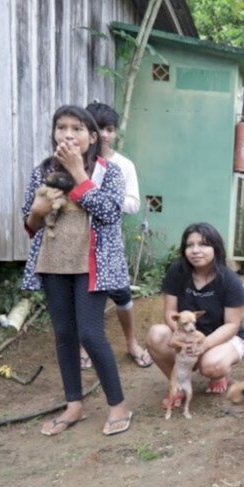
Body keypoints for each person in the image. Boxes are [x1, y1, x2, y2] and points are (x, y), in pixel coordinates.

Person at [21, 105, 133, 436]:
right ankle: (74, 405)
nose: (68, 135)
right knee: (64, 335)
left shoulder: (108, 172)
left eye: (77, 129)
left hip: (90, 264)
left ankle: (118, 405)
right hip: (53, 262)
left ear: (92, 136)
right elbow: (29, 222)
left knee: (90, 333)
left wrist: (77, 173)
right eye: (61, 128)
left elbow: (110, 213)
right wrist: (38, 211)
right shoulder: (41, 171)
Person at [77, 102, 152, 369]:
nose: (105, 135)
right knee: (83, 295)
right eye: (99, 128)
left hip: (108, 245)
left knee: (122, 295)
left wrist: (104, 199)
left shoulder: (123, 165)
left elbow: (133, 204)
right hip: (76, 244)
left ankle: (131, 343)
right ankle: (83, 346)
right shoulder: (75, 162)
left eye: (110, 129)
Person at [144, 223, 244, 401]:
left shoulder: (230, 280)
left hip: (223, 337)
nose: (195, 250)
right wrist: (183, 338)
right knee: (156, 334)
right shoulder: (177, 271)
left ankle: (217, 375)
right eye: (190, 245)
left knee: (212, 365)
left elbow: (232, 324)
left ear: (216, 248)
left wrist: (203, 345)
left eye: (203, 244)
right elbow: (170, 312)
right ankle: (179, 385)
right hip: (187, 332)